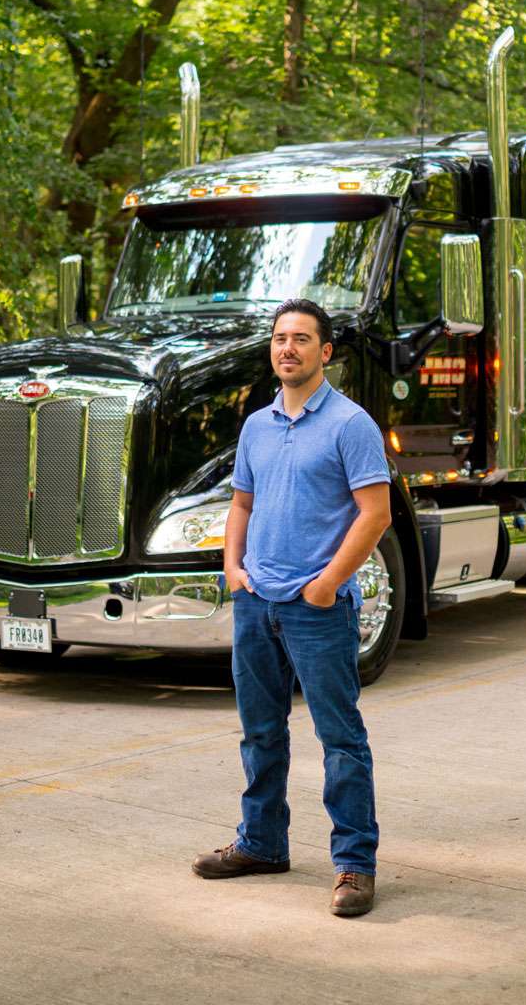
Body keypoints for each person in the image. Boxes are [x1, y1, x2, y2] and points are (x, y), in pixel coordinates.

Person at [191, 298, 392, 918]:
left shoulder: (350, 424)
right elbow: (241, 506)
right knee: (259, 732)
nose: (288, 349)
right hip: (257, 603)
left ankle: (354, 866)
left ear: (324, 352)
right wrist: (233, 569)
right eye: (280, 338)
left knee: (339, 737)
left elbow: (376, 513)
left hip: (317, 608)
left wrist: (328, 584)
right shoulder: (256, 426)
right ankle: (261, 844)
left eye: (302, 339)